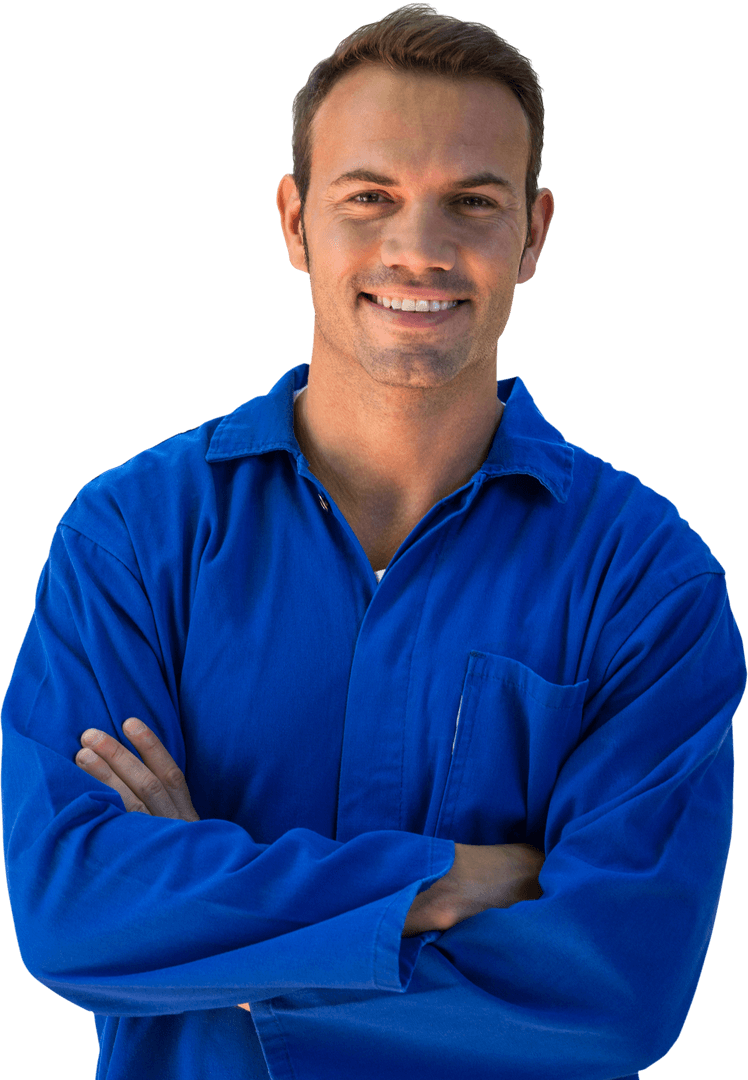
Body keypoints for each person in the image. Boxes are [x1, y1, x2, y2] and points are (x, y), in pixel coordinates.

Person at [1, 5, 744, 1079]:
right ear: (296, 222)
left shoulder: (647, 585)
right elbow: (71, 909)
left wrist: (218, 942)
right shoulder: (131, 539)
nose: (419, 249)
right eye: (370, 198)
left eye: (471, 203)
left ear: (531, 234)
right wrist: (438, 885)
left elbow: (618, 989)